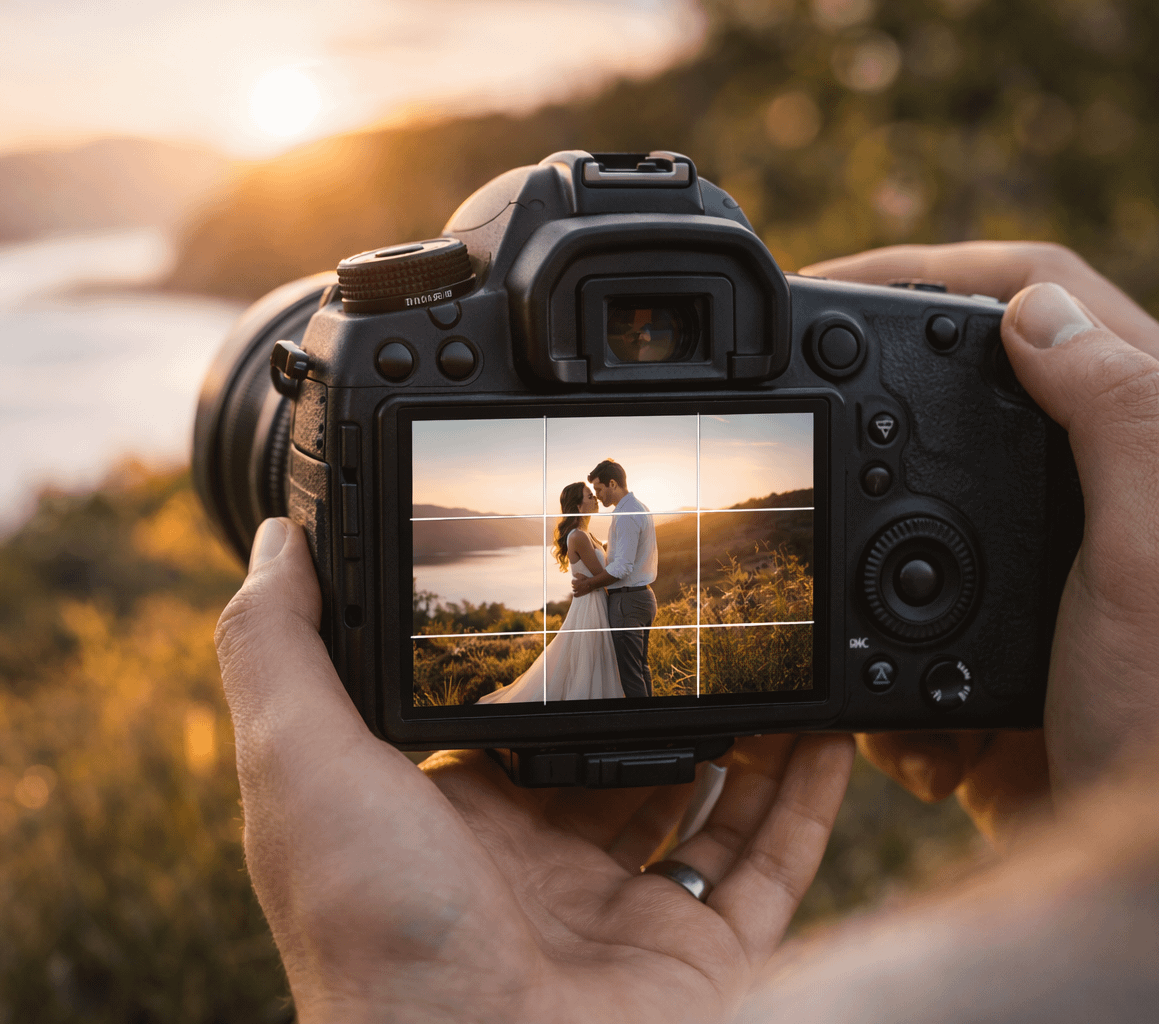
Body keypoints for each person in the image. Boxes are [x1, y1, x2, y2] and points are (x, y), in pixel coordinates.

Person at [213, 241, 1159, 1022]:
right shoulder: (602, 520)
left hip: (617, 602)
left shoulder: (625, 519)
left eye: (603, 484)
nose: (600, 493)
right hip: (607, 606)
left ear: (614, 484)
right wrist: (1109, 835)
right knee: (612, 672)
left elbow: (622, 573)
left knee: (615, 670)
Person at [479, 481, 623, 703]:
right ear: (578, 506)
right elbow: (602, 573)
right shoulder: (578, 536)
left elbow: (599, 574)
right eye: (589, 496)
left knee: (592, 659)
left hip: (595, 600)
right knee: (588, 660)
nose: (595, 498)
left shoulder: (588, 534)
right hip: (590, 606)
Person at [571, 459, 659, 698]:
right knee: (640, 668)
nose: (597, 496)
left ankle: (640, 721)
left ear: (612, 483)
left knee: (629, 674)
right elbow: (626, 555)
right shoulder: (637, 507)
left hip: (627, 603)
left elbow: (623, 567)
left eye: (599, 489)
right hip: (641, 597)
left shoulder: (627, 514)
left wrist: (588, 584)